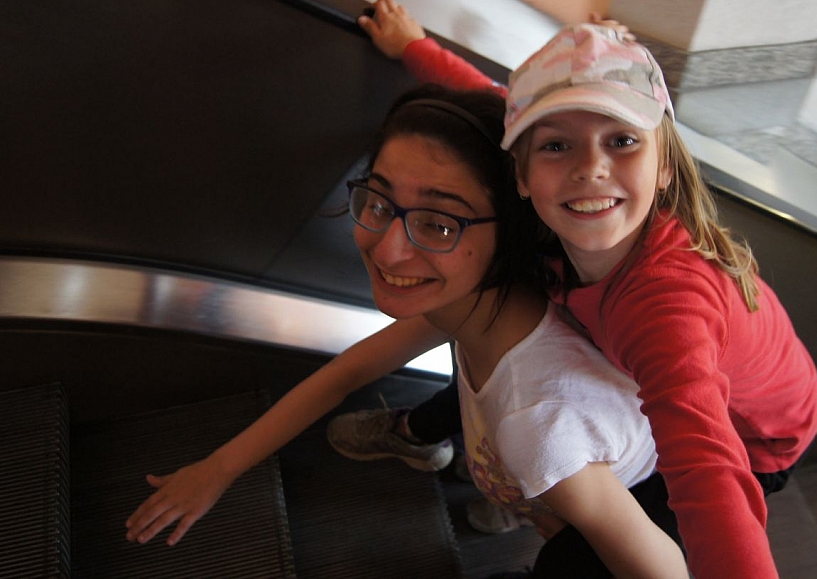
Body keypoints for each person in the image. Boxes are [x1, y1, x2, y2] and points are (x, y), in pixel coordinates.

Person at [345, 0, 817, 579]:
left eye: (621, 140)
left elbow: (708, 472)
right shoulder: (561, 232)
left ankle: (530, 503)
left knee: (579, 559)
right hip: (653, 371)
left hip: (756, 437)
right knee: (505, 347)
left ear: (665, 166)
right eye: (556, 145)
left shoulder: (668, 308)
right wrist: (414, 47)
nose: (589, 167)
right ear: (521, 171)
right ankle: (448, 451)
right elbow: (492, 104)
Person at [125, 83, 688, 579]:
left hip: (629, 503)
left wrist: (566, 517)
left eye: (438, 224)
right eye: (378, 201)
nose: (388, 249)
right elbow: (347, 372)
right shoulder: (481, 300)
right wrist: (217, 470)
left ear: (511, 229)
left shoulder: (539, 425)